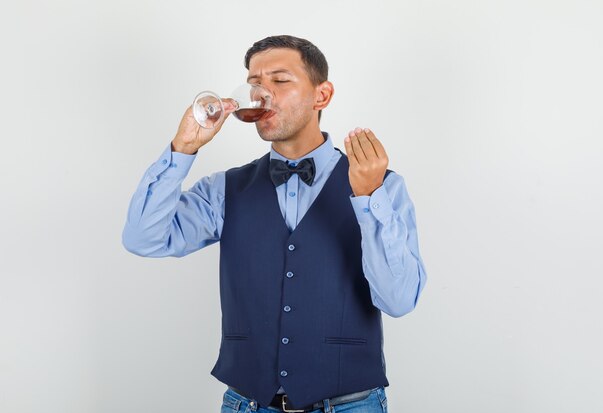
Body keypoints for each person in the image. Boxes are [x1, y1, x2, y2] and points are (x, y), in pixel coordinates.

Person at [122, 35, 426, 413]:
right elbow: (142, 238)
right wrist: (182, 148)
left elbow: (398, 300)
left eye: (280, 81)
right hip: (248, 404)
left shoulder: (383, 186)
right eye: (254, 84)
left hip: (351, 405)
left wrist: (367, 199)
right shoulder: (224, 189)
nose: (261, 94)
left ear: (322, 95)